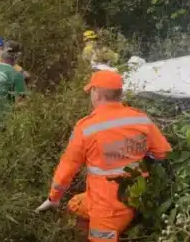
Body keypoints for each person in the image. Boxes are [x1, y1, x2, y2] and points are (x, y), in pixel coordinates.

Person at [35, 70, 172, 242]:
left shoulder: (86, 127)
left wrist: (53, 198)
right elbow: (163, 153)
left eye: (91, 91)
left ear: (97, 94)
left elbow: (68, 167)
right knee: (75, 205)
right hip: (138, 198)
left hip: (107, 209)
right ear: (120, 94)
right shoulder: (141, 119)